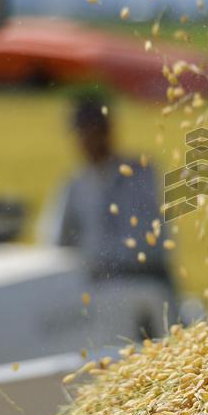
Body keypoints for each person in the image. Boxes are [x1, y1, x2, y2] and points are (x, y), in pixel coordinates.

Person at [43, 94, 177, 338]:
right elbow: (56, 244)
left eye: (94, 130)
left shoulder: (140, 172)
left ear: (107, 131)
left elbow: (152, 235)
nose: (88, 140)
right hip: (102, 287)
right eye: (82, 133)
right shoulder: (74, 186)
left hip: (148, 277)